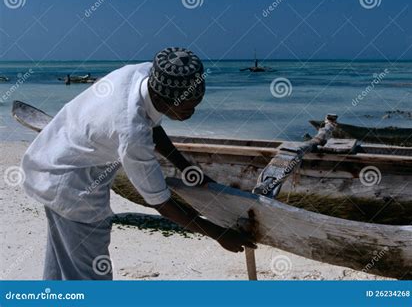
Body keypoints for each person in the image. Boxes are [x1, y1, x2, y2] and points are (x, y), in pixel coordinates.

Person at [21, 47, 256, 280]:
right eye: (187, 108)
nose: (193, 112)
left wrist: (188, 169)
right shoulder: (131, 133)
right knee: (89, 275)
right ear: (163, 100)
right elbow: (162, 203)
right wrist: (218, 234)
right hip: (71, 185)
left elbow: (153, 126)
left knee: (62, 264)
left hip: (56, 156)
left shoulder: (146, 74)